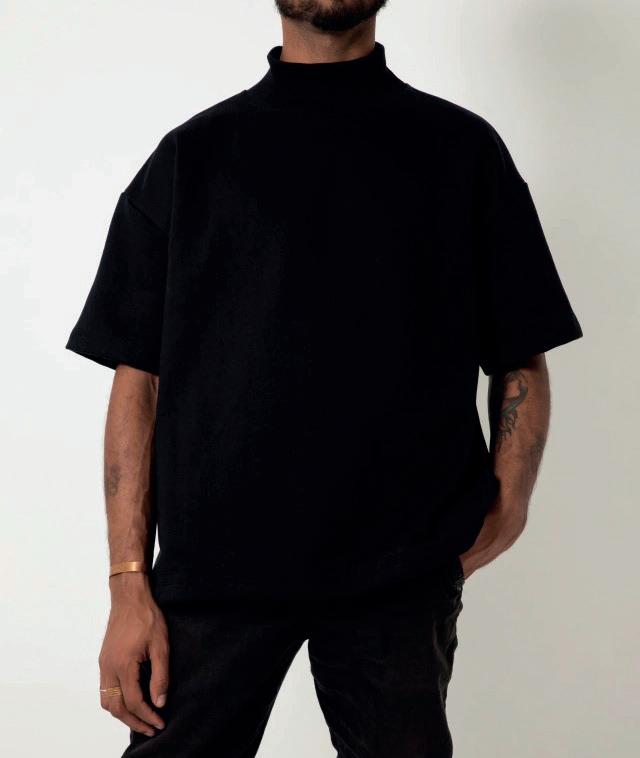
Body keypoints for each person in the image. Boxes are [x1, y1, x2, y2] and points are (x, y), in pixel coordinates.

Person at [66, 1, 583, 756]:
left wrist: (509, 505)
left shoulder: (461, 150)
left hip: (399, 570)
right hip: (215, 570)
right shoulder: (191, 158)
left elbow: (521, 353)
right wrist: (127, 583)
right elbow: (136, 380)